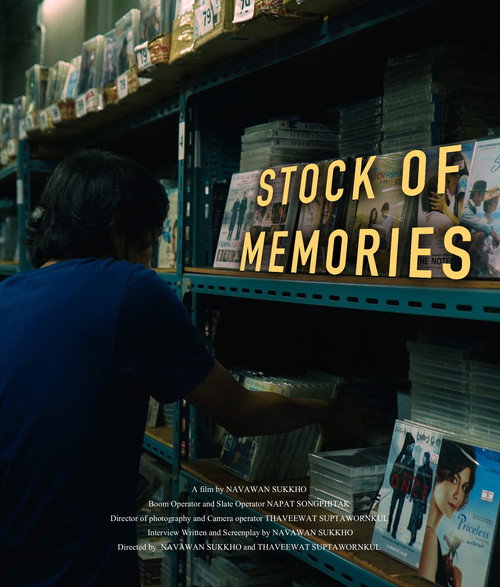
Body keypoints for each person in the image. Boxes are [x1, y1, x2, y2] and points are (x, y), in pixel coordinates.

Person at [0, 149, 368, 586]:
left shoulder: (8, 294)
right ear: (119, 231)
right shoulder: (129, 288)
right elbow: (242, 414)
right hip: (76, 570)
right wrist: (328, 410)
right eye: (149, 242)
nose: (149, 258)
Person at [418, 441, 477, 587]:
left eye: (464, 487)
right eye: (453, 480)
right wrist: (457, 584)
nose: (458, 495)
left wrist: (438, 564)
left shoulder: (427, 533)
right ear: (438, 474)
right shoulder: (429, 537)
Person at [387, 431, 415, 540]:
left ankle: (394, 531)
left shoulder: (412, 460)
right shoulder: (401, 457)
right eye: (411, 446)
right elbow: (394, 469)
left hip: (404, 489)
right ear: (407, 446)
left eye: (413, 446)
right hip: (397, 488)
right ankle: (389, 525)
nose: (412, 448)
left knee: (399, 512)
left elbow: (411, 476)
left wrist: (409, 492)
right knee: (392, 508)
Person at [407, 451, 433, 546]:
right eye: (423, 457)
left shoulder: (430, 471)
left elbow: (429, 486)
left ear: (427, 458)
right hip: (416, 497)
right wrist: (412, 495)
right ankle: (412, 538)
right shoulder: (420, 468)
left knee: (419, 519)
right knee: (414, 518)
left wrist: (424, 497)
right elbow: (416, 482)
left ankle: (414, 537)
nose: (423, 459)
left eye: (424, 457)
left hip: (422, 499)